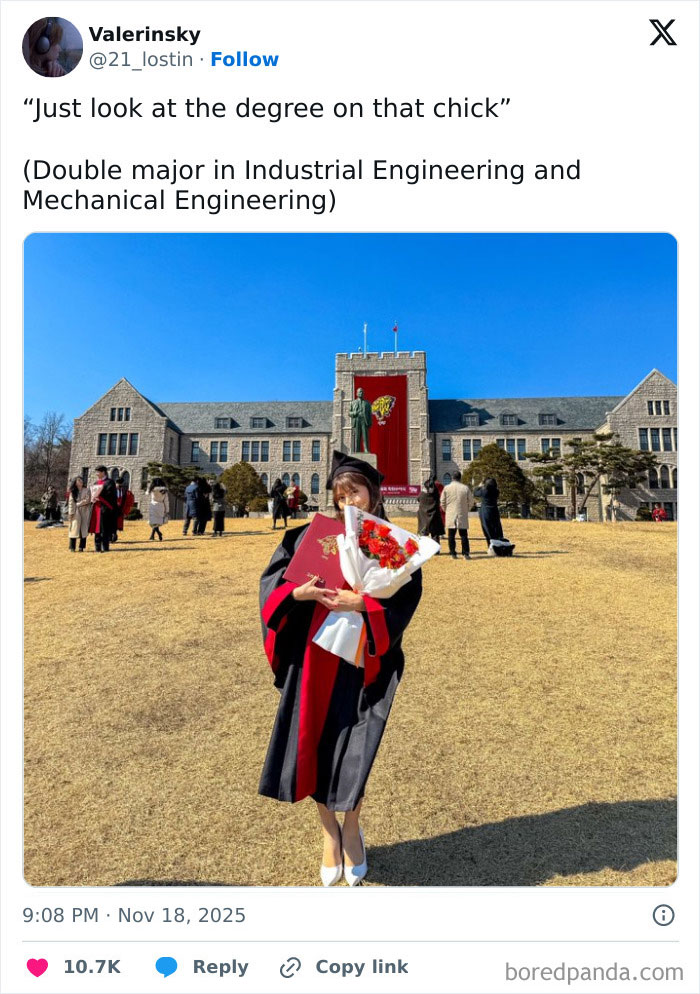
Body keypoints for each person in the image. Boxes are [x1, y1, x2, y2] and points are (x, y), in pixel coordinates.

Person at [258, 451, 423, 887]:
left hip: (361, 663)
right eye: (340, 494)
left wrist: (363, 604)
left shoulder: (392, 545)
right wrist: (298, 595)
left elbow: (403, 603)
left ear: (373, 493)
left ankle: (352, 828)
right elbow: (273, 587)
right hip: (313, 659)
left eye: (356, 492)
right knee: (313, 745)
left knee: (355, 749)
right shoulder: (309, 536)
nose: (348, 501)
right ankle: (329, 833)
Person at [440, 470, 473, 560]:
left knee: (451, 535)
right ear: (460, 477)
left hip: (450, 513)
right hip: (462, 513)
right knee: (464, 535)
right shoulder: (465, 488)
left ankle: (453, 553)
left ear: (452, 478)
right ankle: (466, 554)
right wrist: (466, 510)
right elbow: (471, 501)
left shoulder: (447, 488)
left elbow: (442, 502)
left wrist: (446, 510)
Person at [88, 466, 118, 553]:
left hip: (105, 509)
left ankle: (105, 547)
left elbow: (111, 495)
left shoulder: (110, 482)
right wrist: (92, 498)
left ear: (103, 472)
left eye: (98, 472)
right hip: (96, 508)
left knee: (104, 528)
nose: (96, 474)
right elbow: (92, 493)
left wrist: (100, 497)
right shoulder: (96, 483)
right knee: (96, 528)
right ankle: (97, 547)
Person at [474, 477, 504, 553]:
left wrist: (480, 485)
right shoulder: (496, 491)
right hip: (494, 511)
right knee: (496, 529)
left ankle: (491, 547)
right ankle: (498, 546)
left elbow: (475, 492)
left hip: (485, 511)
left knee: (487, 530)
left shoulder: (484, 491)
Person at [417, 476, 444, 549]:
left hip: (424, 517)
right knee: (435, 535)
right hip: (434, 516)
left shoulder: (422, 494)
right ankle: (436, 550)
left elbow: (418, 499)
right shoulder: (436, 494)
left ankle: (423, 549)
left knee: (423, 534)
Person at [66, 476, 91, 551]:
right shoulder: (73, 492)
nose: (81, 481)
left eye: (81, 480)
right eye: (79, 480)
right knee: (74, 529)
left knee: (83, 529)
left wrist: (79, 504)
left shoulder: (87, 490)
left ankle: (81, 547)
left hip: (84, 511)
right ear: (75, 482)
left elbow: (87, 499)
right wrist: (71, 513)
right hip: (75, 512)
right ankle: (72, 547)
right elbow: (71, 503)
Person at [112, 476, 135, 542]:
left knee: (116, 523)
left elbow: (129, 503)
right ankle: (112, 535)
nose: (119, 485)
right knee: (111, 523)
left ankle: (114, 534)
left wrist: (126, 512)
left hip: (120, 510)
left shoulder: (126, 492)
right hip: (112, 509)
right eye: (118, 483)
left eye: (120, 484)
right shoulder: (111, 491)